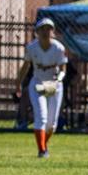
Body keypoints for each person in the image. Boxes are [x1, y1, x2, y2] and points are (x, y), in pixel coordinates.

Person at [14, 18, 68, 158]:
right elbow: (25, 66)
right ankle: (42, 150)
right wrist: (18, 83)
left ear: (53, 31)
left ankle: (43, 144)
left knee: (51, 124)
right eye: (42, 29)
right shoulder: (32, 47)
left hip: (54, 84)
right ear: (37, 32)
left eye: (49, 28)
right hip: (38, 82)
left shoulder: (58, 48)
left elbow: (63, 69)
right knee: (41, 117)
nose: (46, 32)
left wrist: (59, 78)